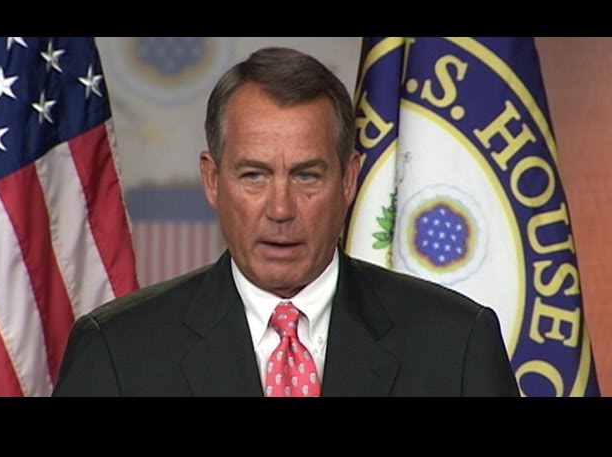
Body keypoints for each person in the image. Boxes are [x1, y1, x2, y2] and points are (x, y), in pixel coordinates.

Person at [52, 47, 519, 397]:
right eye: (253, 176)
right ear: (212, 181)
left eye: (306, 175)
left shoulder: (457, 343)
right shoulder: (118, 352)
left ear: (348, 180)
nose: (280, 209)